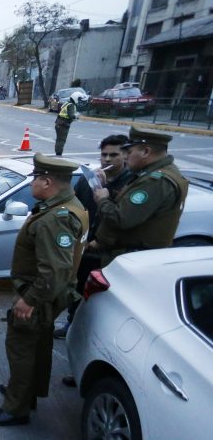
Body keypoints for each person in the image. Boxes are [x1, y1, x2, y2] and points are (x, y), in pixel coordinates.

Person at [0, 154, 88, 427]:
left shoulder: (56, 218)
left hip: (39, 294)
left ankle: (16, 408)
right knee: (37, 347)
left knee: (21, 349)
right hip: (50, 294)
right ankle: (26, 393)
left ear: (47, 181)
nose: (32, 185)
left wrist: (30, 300)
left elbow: (54, 269)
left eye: (35, 179)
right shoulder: (68, 206)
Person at [55, 134, 133, 340]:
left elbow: (123, 218)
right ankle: (72, 323)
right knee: (78, 288)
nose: (107, 159)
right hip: (84, 247)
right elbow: (74, 205)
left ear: (125, 156)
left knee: (101, 298)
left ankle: (96, 333)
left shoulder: (130, 183)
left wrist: (106, 191)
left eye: (113, 155)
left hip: (108, 253)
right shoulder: (88, 179)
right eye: (104, 155)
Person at [91, 126, 189, 266]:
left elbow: (121, 218)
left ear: (146, 152)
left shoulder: (155, 181)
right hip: (133, 255)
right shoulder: (157, 173)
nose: (125, 157)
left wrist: (102, 200)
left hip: (131, 258)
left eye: (129, 152)